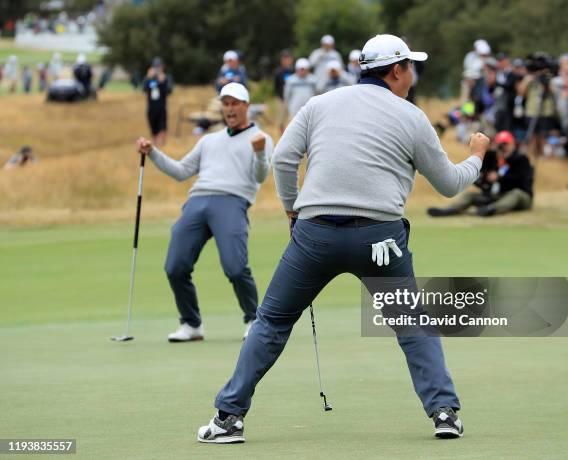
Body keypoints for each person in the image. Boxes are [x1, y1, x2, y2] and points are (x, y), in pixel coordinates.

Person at [198, 34, 489, 444]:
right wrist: (476, 155)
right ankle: (444, 412)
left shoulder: (320, 103)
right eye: (410, 65)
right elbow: (448, 184)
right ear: (395, 71)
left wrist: (291, 209)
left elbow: (283, 159)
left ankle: (228, 420)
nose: (413, 73)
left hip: (314, 234)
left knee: (272, 322)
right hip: (381, 241)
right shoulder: (412, 116)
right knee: (412, 326)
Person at [136, 83, 273, 343]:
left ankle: (253, 319)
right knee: (175, 266)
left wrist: (258, 155)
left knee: (235, 267)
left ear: (246, 106)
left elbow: (260, 176)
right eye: (226, 104)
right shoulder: (209, 140)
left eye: (235, 104)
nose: (230, 109)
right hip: (197, 201)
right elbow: (179, 172)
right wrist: (152, 152)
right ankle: (191, 324)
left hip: (233, 201)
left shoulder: (262, 139)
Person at [427, 130, 532, 217]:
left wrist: (499, 178)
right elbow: (481, 177)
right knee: (470, 195)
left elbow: (521, 180)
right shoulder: (492, 158)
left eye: (506, 144)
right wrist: (484, 178)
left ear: (513, 144)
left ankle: (491, 210)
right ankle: (451, 210)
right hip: (496, 195)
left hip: (520, 196)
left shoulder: (521, 159)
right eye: (500, 144)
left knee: (515, 194)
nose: (503, 147)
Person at [143, 57, 173, 146]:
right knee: (153, 128)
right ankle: (155, 145)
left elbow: (169, 91)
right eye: (156, 67)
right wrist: (148, 78)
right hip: (152, 107)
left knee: (163, 127)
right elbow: (144, 89)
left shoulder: (166, 77)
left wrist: (163, 81)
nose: (157, 69)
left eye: (159, 67)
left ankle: (163, 145)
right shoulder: (149, 78)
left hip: (161, 107)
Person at [273, 49, 294, 133]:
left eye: (288, 58)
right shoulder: (278, 72)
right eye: (284, 58)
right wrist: (280, 97)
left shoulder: (294, 71)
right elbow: (276, 86)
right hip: (281, 99)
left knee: (291, 119)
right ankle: (282, 136)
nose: (286, 60)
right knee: (281, 121)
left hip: (292, 100)